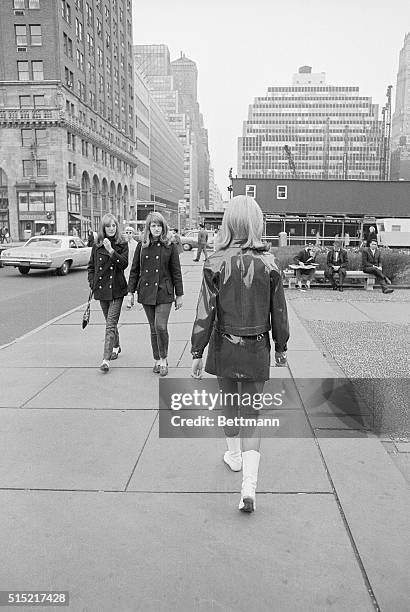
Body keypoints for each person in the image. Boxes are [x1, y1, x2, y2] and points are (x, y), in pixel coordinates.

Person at [191, 195, 289, 514]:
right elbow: (279, 312)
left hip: (225, 345)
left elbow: (206, 310)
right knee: (252, 415)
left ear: (228, 223)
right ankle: (249, 485)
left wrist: (197, 349)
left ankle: (233, 456)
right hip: (257, 347)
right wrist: (281, 347)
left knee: (229, 406)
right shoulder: (270, 264)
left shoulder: (215, 262)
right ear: (256, 224)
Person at [128, 212, 184, 377]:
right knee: (153, 328)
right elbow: (134, 270)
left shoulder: (170, 245)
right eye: (153, 225)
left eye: (159, 225)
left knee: (160, 326)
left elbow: (176, 271)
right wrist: (130, 291)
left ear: (163, 227)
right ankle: (157, 359)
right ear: (148, 228)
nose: (156, 228)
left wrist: (179, 294)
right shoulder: (142, 245)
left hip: (164, 291)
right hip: (146, 291)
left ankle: (164, 358)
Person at [87, 213, 129, 372]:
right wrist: (92, 282)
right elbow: (91, 267)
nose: (111, 228)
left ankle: (105, 360)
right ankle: (116, 346)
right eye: (108, 226)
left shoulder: (121, 244)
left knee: (110, 324)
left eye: (114, 225)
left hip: (117, 290)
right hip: (101, 289)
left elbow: (124, 264)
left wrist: (111, 250)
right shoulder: (97, 245)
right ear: (103, 228)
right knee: (110, 323)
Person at [124, 226, 138, 309]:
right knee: (127, 283)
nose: (128, 234)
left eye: (130, 233)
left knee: (131, 282)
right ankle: (130, 298)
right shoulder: (123, 244)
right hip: (125, 267)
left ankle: (130, 299)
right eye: (127, 232)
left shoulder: (136, 244)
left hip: (133, 267)